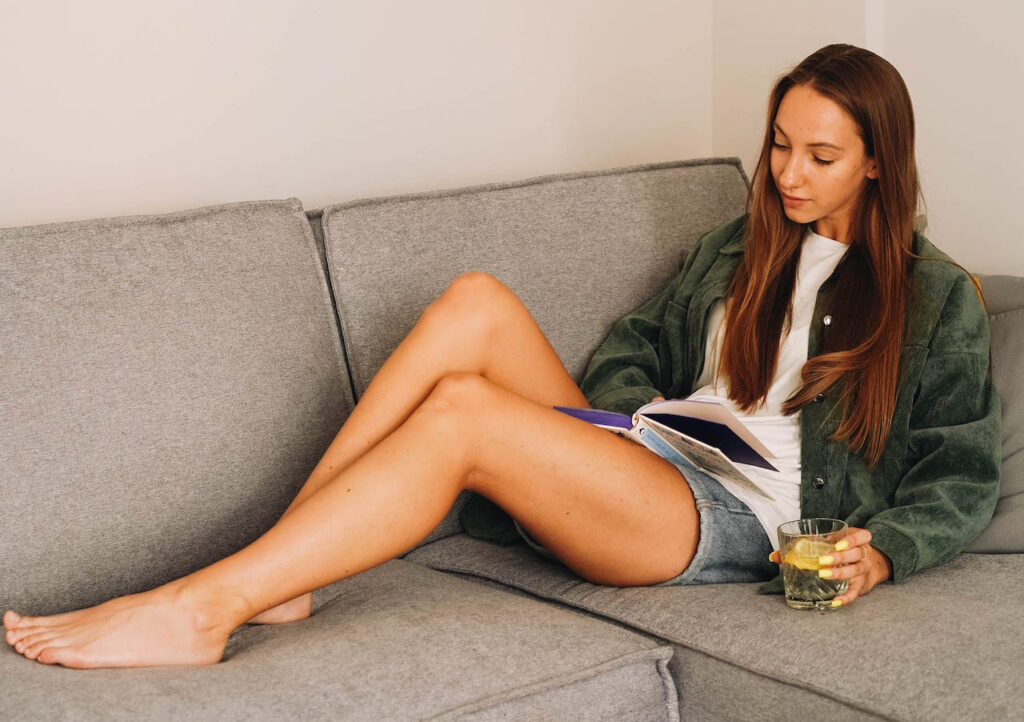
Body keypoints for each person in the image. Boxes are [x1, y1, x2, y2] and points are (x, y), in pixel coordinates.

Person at [4, 43, 1000, 670]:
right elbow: (630, 350)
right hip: (650, 457)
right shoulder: (736, 248)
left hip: (734, 513)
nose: (785, 173)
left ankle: (205, 605)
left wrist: (889, 548)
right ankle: (291, 569)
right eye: (778, 144)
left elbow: (960, 470)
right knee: (472, 305)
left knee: (463, 412)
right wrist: (631, 415)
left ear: (878, 159)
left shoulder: (933, 294)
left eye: (818, 157)